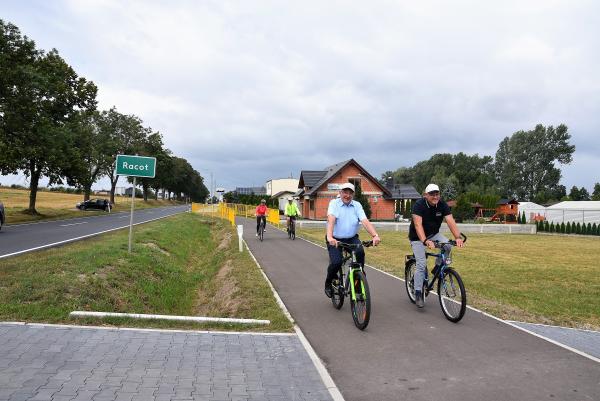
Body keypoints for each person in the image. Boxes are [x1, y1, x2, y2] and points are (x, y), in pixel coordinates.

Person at [408, 183, 464, 308]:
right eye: (432, 194)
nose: (435, 196)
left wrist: (458, 237)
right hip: (417, 237)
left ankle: (437, 268)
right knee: (421, 264)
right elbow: (418, 225)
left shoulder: (442, 205)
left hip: (434, 234)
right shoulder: (419, 205)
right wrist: (425, 241)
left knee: (448, 246)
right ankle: (418, 292)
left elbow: (450, 221)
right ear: (425, 195)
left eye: (437, 193)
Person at [324, 183, 381, 298]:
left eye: (350, 193)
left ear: (353, 195)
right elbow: (331, 219)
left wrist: (375, 235)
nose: (347, 195)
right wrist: (330, 237)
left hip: (352, 238)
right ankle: (328, 282)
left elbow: (364, 221)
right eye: (345, 192)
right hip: (335, 239)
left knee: (360, 252)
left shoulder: (357, 205)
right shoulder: (334, 203)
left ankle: (358, 279)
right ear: (340, 193)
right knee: (336, 262)